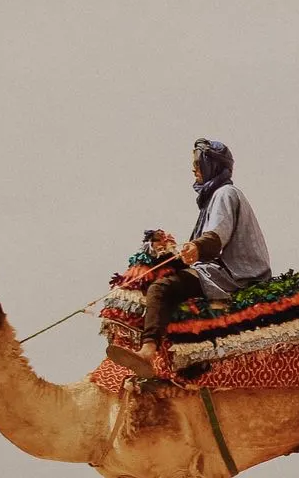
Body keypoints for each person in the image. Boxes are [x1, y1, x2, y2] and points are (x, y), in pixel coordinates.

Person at [110, 138, 274, 374]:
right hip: (220, 268)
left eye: (199, 164)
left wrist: (196, 247)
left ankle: (147, 351)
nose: (194, 170)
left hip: (234, 274)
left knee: (160, 289)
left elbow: (216, 237)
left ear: (212, 167)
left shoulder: (225, 194)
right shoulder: (214, 198)